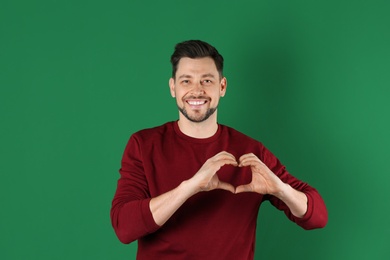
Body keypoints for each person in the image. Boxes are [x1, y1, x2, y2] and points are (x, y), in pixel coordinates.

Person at [110, 40, 328, 259]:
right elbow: (124, 227)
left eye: (207, 80)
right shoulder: (144, 144)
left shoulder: (251, 152)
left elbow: (317, 217)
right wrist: (191, 186)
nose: (197, 90)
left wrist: (280, 189)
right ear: (173, 87)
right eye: (186, 81)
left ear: (222, 86)